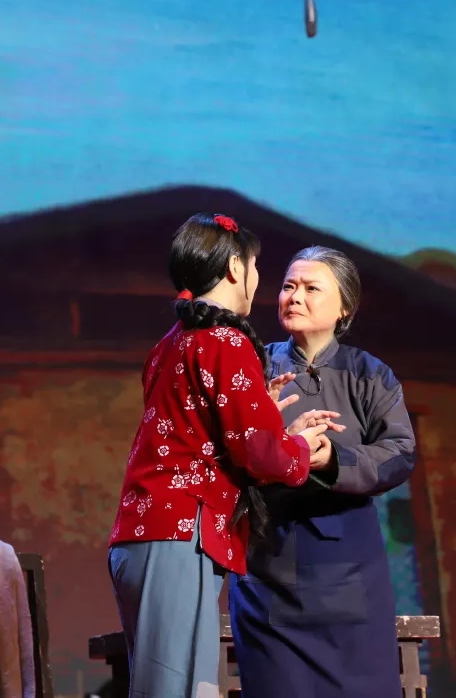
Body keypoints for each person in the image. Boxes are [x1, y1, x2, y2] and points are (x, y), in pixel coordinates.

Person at [107, 215, 338, 698]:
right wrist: (300, 448)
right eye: (255, 266)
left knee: (175, 687)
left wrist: (267, 419)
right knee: (176, 690)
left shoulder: (173, 342)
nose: (258, 278)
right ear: (235, 267)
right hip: (179, 533)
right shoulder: (225, 341)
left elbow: (200, 432)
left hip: (146, 531)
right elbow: (260, 454)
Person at [228, 246, 417, 698]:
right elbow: (223, 452)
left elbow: (399, 453)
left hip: (350, 570)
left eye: (311, 288)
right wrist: (275, 442)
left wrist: (332, 459)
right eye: (289, 286)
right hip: (268, 570)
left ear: (344, 306)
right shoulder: (252, 366)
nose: (295, 296)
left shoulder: (370, 374)